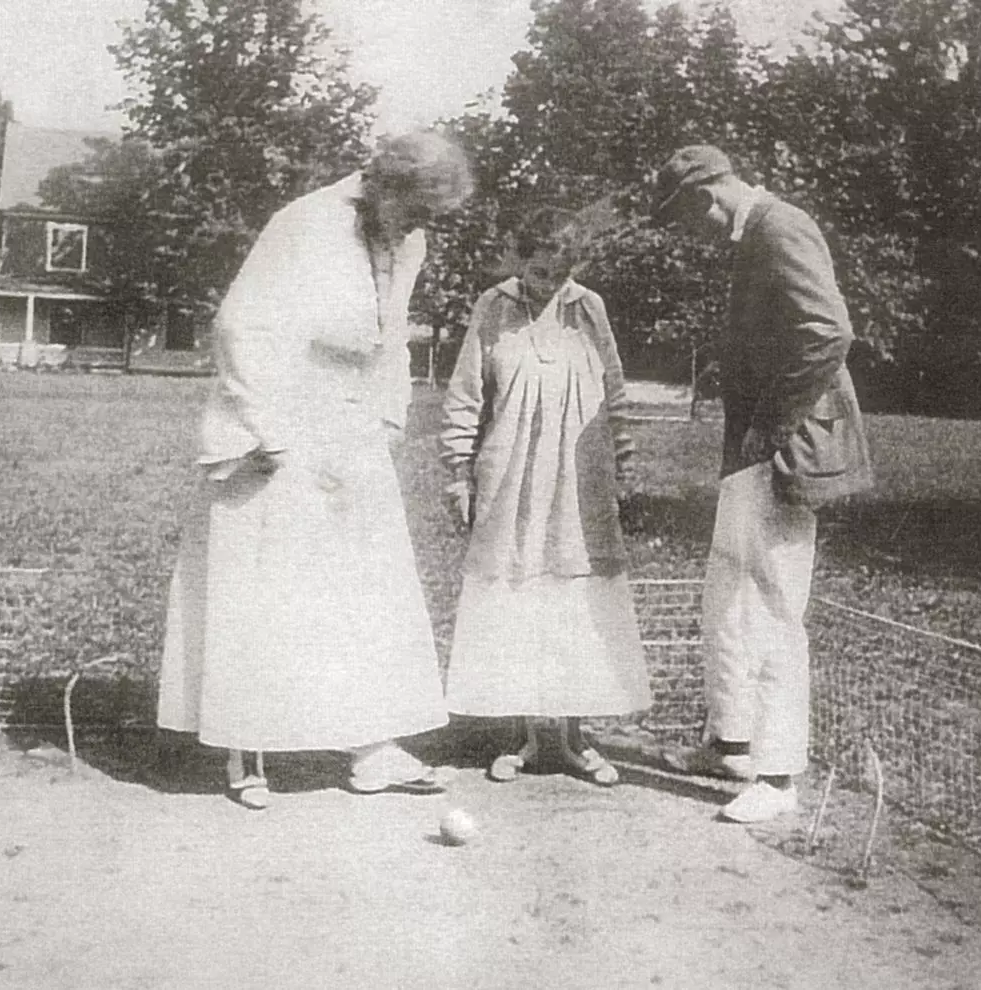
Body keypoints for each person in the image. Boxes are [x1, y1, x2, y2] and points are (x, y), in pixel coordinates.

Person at [156, 131, 474, 809]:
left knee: (364, 587)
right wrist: (264, 429)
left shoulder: (407, 240)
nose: (421, 228)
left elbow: (392, 337)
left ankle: (369, 746)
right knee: (267, 584)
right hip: (283, 415)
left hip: (353, 424)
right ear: (385, 186)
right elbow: (240, 327)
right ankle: (249, 748)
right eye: (415, 209)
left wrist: (389, 418)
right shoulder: (302, 224)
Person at [650, 146, 873, 823]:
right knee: (728, 594)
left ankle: (777, 778)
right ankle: (732, 741)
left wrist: (771, 428)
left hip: (784, 451)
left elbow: (828, 332)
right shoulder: (754, 235)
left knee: (774, 606)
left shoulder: (780, 227)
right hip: (751, 450)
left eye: (683, 220)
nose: (689, 235)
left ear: (703, 197)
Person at [439, 207, 652, 786]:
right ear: (517, 257)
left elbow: (615, 392)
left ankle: (577, 738)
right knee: (521, 594)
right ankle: (531, 735)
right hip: (511, 477)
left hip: (580, 482)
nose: (547, 283)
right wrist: (459, 472)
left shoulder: (590, 310)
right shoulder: (493, 307)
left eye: (558, 273)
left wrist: (623, 467)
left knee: (576, 600)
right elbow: (464, 396)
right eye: (536, 271)